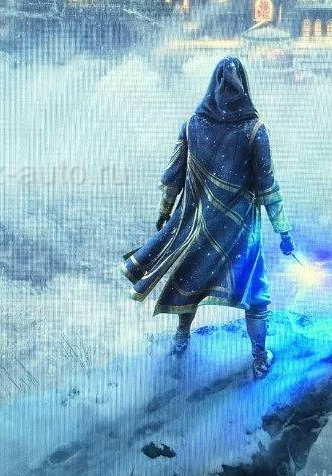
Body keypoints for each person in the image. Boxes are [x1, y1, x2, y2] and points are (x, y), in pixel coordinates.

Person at [122, 56, 294, 379]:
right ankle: (259, 359)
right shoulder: (255, 131)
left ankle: (181, 341)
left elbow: (172, 178)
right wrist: (284, 232)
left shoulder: (193, 125)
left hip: (197, 226)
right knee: (255, 296)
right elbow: (268, 187)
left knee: (190, 281)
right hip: (239, 231)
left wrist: (164, 212)